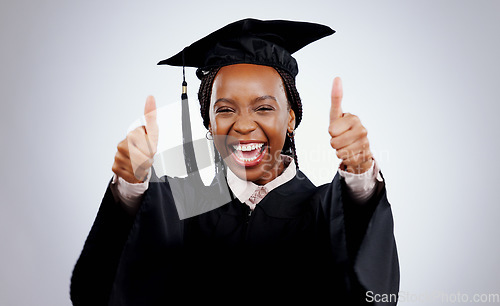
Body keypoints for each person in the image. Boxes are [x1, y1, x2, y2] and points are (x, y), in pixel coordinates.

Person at [70, 19, 399, 305]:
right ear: (209, 124)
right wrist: (129, 183)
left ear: (290, 119)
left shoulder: (320, 209)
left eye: (264, 108)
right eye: (225, 110)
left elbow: (363, 271)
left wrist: (359, 172)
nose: (242, 125)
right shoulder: (182, 202)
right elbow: (112, 279)